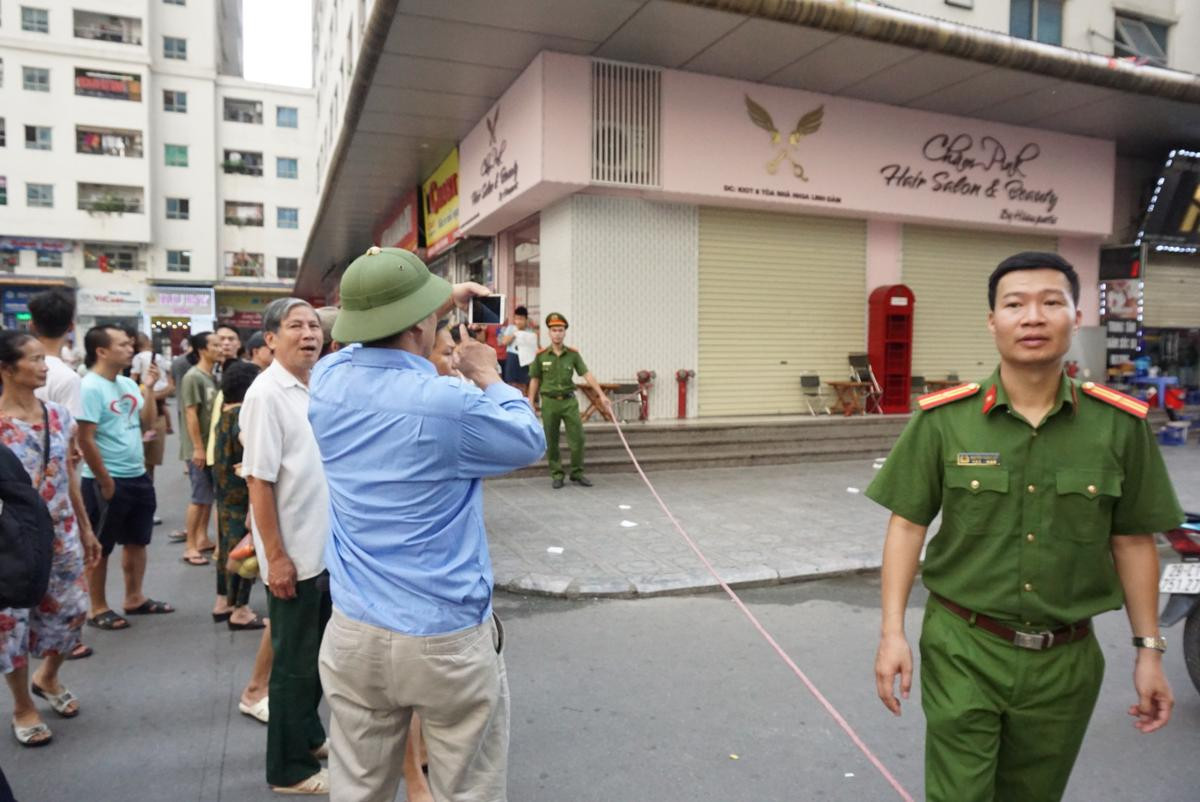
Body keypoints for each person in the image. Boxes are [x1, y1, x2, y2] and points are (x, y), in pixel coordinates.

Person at [867, 252, 1183, 802]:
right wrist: (892, 633)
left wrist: (1149, 651)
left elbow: (1133, 542)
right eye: (1014, 304)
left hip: (1066, 661)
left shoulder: (1119, 426)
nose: (1032, 317)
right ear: (992, 321)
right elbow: (907, 526)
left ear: (1076, 316)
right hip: (964, 646)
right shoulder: (945, 419)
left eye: (1051, 302)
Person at [310, 246, 545, 802]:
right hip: (443, 634)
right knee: (468, 787)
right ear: (420, 326)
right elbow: (529, 440)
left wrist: (429, 301)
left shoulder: (327, 380)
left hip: (354, 631)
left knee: (358, 787)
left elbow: (334, 328)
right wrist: (489, 376)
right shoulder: (448, 403)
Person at [240, 298, 331, 795]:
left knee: (317, 659)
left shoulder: (312, 387)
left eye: (314, 325)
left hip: (323, 553)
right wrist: (275, 556)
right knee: (294, 665)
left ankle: (310, 735)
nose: (308, 333)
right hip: (293, 557)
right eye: (295, 325)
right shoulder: (266, 394)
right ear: (271, 339)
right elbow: (259, 481)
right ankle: (290, 770)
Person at [0, 331, 101, 746]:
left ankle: (49, 676)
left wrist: (86, 528)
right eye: (35, 360)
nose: (45, 366)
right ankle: (23, 705)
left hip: (60, 532)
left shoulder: (59, 416)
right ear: (6, 368)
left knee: (74, 610)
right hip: (12, 540)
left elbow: (68, 476)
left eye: (44, 358)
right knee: (12, 625)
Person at [78, 326, 171, 631]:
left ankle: (134, 597)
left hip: (136, 474)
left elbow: (144, 422)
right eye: (122, 344)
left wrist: (148, 387)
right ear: (101, 351)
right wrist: (104, 480)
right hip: (106, 477)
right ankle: (97, 607)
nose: (130, 349)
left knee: (137, 540)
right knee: (100, 547)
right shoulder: (90, 387)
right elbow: (86, 439)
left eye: (131, 344)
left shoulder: (128, 384)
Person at [28, 289, 93, 661]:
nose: (40, 370)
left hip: (55, 502)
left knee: (62, 591)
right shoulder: (67, 376)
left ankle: (49, 664)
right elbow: (76, 446)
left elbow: (71, 445)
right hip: (43, 503)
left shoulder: (59, 380)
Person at [526, 313, 611, 489]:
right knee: (552, 439)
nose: (557, 333)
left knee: (578, 438)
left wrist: (601, 395)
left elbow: (586, 374)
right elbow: (534, 379)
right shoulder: (541, 355)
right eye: (554, 330)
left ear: (565, 333)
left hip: (569, 402)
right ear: (549, 333)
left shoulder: (573, 355)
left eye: (560, 330)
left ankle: (577, 473)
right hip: (549, 402)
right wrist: (530, 401)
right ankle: (557, 474)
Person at [212, 361, 265, 631]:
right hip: (241, 496)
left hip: (223, 494)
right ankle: (240, 609)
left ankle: (223, 602)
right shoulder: (242, 416)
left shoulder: (224, 413)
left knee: (226, 550)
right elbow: (248, 443)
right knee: (244, 551)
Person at [178, 331, 221, 567]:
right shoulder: (193, 377)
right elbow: (191, 412)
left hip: (209, 447)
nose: (220, 347)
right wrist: (198, 448)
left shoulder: (210, 376)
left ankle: (202, 538)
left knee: (206, 498)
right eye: (214, 344)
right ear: (202, 350)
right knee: (198, 497)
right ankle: (190, 545)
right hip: (199, 448)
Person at [130, 333, 174, 482]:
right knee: (143, 464)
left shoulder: (138, 359)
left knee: (149, 462)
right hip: (139, 417)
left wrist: (148, 393)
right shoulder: (159, 357)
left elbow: (171, 387)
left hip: (155, 415)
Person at [499, 305, 537, 393]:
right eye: (516, 319)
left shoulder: (530, 332)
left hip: (524, 359)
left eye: (521, 319)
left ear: (526, 319)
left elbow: (533, 348)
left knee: (523, 383)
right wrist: (514, 334)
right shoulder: (511, 328)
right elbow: (504, 342)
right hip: (512, 358)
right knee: (511, 384)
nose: (518, 321)